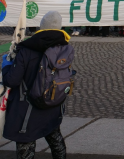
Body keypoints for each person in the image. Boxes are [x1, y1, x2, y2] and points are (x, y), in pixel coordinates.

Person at [2, 11, 72, 159]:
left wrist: (6, 65)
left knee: (26, 143)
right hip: (53, 101)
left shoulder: (27, 49)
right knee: (55, 137)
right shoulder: (64, 47)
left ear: (41, 26)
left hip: (27, 107)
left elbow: (11, 80)